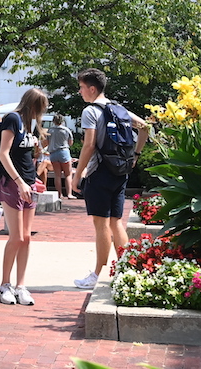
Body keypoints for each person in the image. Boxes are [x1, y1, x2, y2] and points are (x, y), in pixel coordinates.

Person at [70, 68, 150, 290]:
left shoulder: (90, 111)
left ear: (92, 88)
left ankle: (98, 275)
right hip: (120, 171)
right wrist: (136, 155)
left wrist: (77, 175)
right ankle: (128, 270)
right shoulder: (119, 108)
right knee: (116, 222)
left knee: (101, 224)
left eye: (82, 88)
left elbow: (89, 145)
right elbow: (145, 126)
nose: (80, 92)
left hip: (100, 172)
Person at [0, 88, 48, 306]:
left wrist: (34, 179)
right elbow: (3, 153)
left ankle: (21, 285)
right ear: (32, 105)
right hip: (12, 183)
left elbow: (26, 157)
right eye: (40, 108)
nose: (40, 113)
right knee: (16, 236)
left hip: (29, 183)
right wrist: (19, 182)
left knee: (26, 237)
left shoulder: (29, 125)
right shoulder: (13, 119)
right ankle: (4, 284)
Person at [46, 114, 75, 199]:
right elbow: (70, 142)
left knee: (57, 175)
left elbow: (47, 142)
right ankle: (69, 194)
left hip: (53, 153)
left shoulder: (50, 130)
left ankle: (59, 194)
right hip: (64, 152)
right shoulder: (66, 130)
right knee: (68, 174)